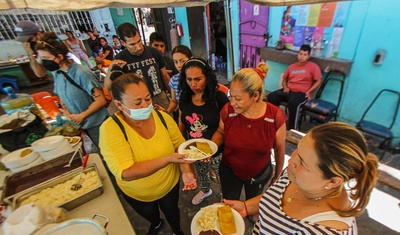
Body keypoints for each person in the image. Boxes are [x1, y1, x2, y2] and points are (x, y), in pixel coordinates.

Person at [224, 122, 379, 234]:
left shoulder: (325, 230)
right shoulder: (295, 173)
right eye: (298, 149)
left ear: (333, 182)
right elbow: (277, 195)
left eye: (303, 162)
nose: (291, 161)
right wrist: (246, 207)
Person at [99, 73, 196, 235]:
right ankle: (156, 223)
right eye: (137, 102)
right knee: (149, 214)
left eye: (148, 99)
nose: (145, 106)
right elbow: (126, 172)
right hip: (138, 192)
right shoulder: (111, 130)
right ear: (119, 105)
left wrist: (186, 171)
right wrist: (168, 159)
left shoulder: (163, 118)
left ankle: (176, 231)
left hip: (168, 184)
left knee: (172, 211)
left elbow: (180, 147)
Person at [211, 63, 287, 203]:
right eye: (231, 96)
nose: (232, 103)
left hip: (259, 174)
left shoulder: (275, 116)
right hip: (230, 171)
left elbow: (279, 148)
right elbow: (220, 132)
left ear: (256, 95)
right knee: (229, 204)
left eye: (238, 99)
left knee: (253, 206)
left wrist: (277, 176)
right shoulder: (228, 111)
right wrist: (209, 149)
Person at [35, 32, 109, 148]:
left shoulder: (81, 73)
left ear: (60, 57)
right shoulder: (58, 73)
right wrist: (67, 112)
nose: (44, 62)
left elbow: (101, 100)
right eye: (41, 58)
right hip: (80, 126)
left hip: (97, 125)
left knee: (107, 153)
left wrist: (82, 115)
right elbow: (61, 95)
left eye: (46, 58)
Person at [178, 58, 229, 205]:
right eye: (189, 79)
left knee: (221, 177)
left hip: (217, 150)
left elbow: (224, 129)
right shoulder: (185, 97)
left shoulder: (218, 98)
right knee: (201, 173)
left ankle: (224, 198)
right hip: (195, 150)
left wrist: (209, 150)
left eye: (198, 79)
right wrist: (181, 144)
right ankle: (206, 190)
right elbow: (182, 122)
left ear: (207, 77)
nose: (193, 84)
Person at [104, 22, 171, 111]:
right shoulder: (120, 58)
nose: (138, 47)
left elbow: (165, 76)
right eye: (132, 44)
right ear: (123, 42)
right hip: (139, 102)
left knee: (168, 120)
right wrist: (110, 69)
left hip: (160, 96)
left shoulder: (153, 52)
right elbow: (108, 87)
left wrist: (174, 98)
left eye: (139, 41)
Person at [267, 44, 322, 130]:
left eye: (304, 55)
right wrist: (285, 87)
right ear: (298, 54)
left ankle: (292, 129)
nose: (302, 56)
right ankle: (274, 121)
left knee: (293, 103)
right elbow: (284, 79)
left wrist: (309, 91)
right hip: (289, 91)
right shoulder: (292, 67)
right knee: (271, 96)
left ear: (308, 56)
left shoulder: (313, 67)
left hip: (301, 93)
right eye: (300, 54)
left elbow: (318, 80)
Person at [14, 20, 81, 78]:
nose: (30, 43)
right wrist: (30, 54)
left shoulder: (53, 44)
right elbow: (40, 73)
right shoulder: (40, 50)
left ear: (39, 34)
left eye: (30, 39)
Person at [155, 45, 193, 122]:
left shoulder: (199, 77)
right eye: (175, 62)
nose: (179, 65)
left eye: (182, 61)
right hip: (185, 117)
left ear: (191, 59)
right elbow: (174, 101)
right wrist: (167, 111)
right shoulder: (174, 80)